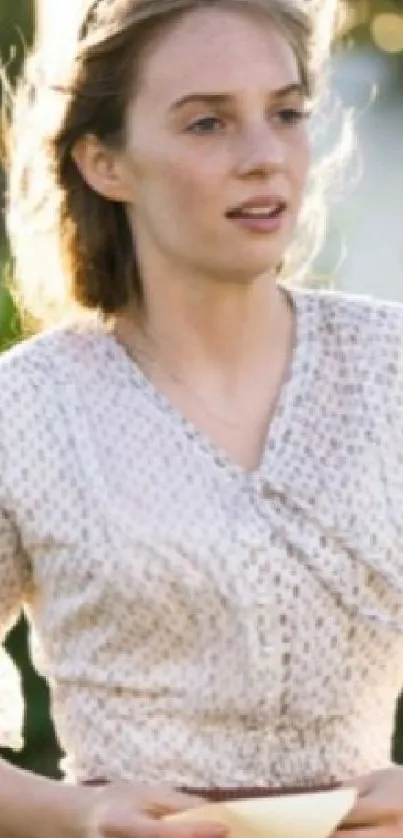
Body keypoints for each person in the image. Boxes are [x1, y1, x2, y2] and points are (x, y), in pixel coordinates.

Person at [1, 0, 403, 835]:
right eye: (207, 123)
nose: (263, 158)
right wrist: (82, 814)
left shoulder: (391, 368)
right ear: (104, 162)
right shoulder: (27, 411)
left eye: (286, 114)